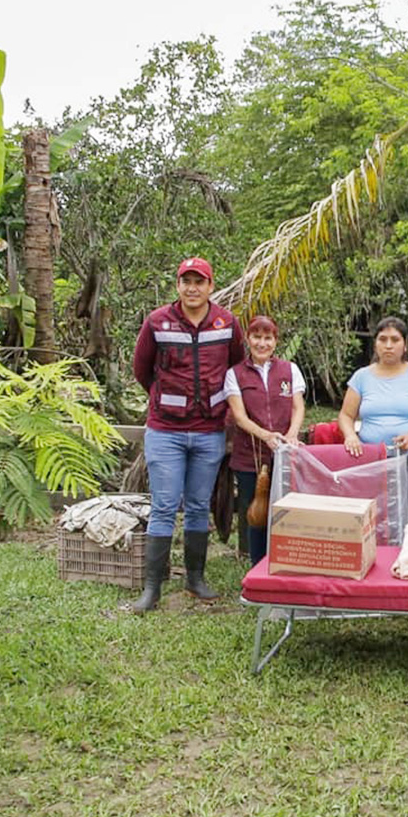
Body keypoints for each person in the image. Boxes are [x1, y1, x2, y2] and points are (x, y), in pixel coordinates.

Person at [131, 257, 244, 613]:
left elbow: (236, 369)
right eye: (186, 281)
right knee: (164, 506)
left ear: (211, 286)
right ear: (178, 285)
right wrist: (167, 399)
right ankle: (152, 588)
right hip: (166, 430)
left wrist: (224, 412)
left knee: (197, 506)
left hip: (209, 431)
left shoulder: (227, 323)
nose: (192, 288)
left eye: (199, 281)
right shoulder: (157, 321)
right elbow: (141, 369)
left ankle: (195, 579)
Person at [338, 316, 408, 523]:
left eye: (395, 340)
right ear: (375, 344)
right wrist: (350, 436)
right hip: (370, 458)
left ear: (405, 345)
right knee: (372, 519)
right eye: (383, 339)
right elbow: (346, 415)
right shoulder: (361, 377)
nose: (388, 345)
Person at [224, 315, 306, 566]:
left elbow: (298, 407)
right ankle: (257, 565)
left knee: (288, 510)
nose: (262, 343)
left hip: (285, 455)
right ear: (248, 339)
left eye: (268, 338)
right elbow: (239, 416)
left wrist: (292, 434)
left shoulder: (290, 370)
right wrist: (266, 436)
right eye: (256, 337)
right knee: (255, 513)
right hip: (249, 457)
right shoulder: (235, 374)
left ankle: (286, 563)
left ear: (275, 341)